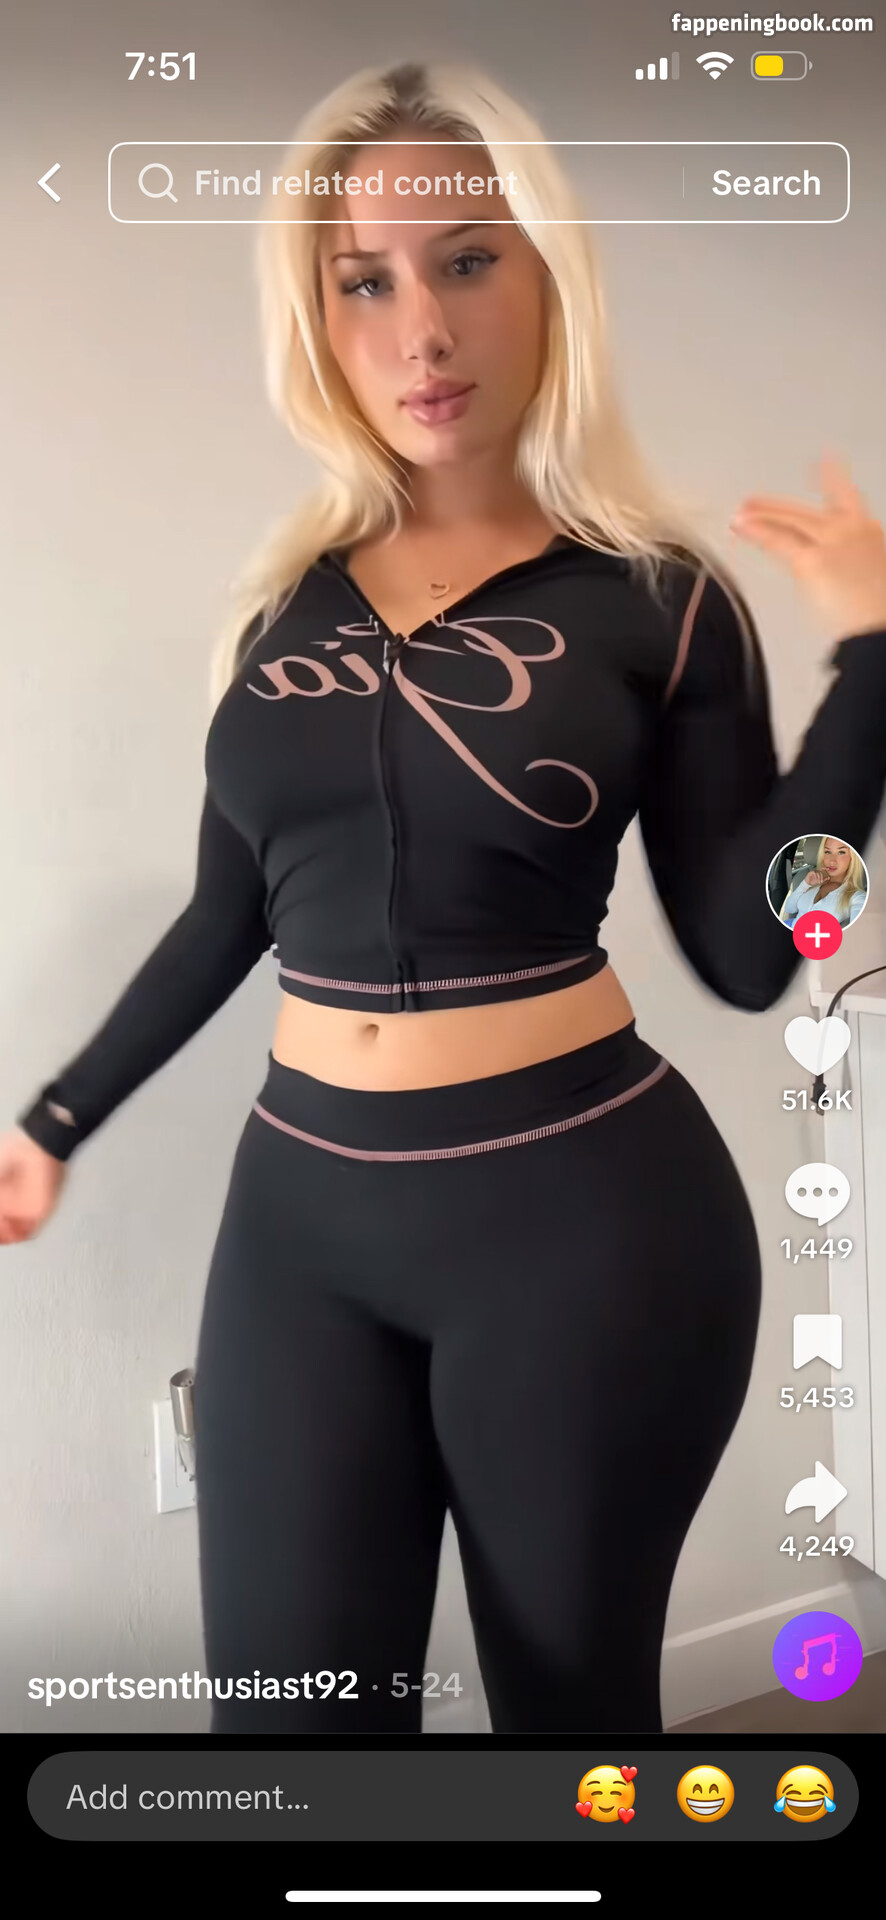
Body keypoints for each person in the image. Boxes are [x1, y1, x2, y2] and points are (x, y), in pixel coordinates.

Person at [4, 61, 886, 1737]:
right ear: (316, 319)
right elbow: (226, 914)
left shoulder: (658, 599)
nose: (421, 327)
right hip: (300, 1223)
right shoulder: (283, 606)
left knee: (569, 1733)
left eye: (469, 260)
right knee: (291, 1736)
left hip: (585, 1221)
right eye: (365, 281)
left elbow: (756, 944)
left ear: (550, 275)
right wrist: (53, 1122)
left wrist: (872, 670)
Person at [779, 836, 867, 928]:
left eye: (841, 852)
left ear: (852, 857)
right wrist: (805, 884)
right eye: (827, 852)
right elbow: (789, 909)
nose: (832, 861)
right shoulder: (811, 878)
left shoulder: (856, 896)